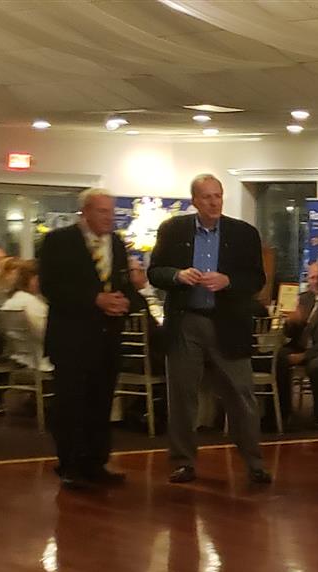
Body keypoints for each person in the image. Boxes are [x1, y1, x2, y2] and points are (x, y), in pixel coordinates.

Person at [148, 173, 271, 486]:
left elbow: (256, 279)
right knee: (182, 395)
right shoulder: (173, 230)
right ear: (194, 201)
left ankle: (254, 462)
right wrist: (177, 276)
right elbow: (155, 272)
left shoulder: (243, 233)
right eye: (207, 197)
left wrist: (228, 281)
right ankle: (183, 462)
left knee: (241, 395)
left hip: (227, 322)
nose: (214, 202)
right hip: (186, 320)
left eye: (218, 195)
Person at [38, 188, 147, 489]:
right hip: (72, 338)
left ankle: (96, 462)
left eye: (111, 212)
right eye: (102, 211)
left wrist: (126, 301)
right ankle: (70, 465)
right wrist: (94, 299)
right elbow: (51, 287)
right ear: (85, 212)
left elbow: (122, 283)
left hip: (107, 338)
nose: (109, 218)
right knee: (71, 404)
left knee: (101, 403)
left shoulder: (116, 243)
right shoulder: (59, 241)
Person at [279, 259, 318, 427]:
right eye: (312, 278)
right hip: (301, 345)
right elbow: (289, 335)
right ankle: (282, 412)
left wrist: (303, 356)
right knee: (278, 357)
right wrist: (292, 322)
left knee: (317, 366)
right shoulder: (302, 299)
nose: (315, 281)